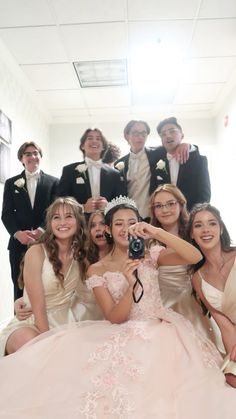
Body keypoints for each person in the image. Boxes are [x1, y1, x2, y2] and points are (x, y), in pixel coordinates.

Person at [0, 197, 236, 418]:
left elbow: (194, 256)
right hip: (123, 330)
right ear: (109, 230)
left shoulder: (151, 255)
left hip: (163, 331)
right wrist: (130, 285)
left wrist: (156, 232)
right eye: (119, 224)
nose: (126, 229)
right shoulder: (97, 269)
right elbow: (115, 317)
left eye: (132, 223)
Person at [0, 196, 87, 356]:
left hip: (65, 323)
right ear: (50, 223)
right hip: (33, 322)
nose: (62, 222)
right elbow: (38, 307)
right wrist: (48, 344)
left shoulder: (81, 256)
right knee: (31, 343)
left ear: (78, 221)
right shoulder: (36, 252)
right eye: (56, 217)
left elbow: (84, 295)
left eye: (68, 216)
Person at [149, 184, 215, 341]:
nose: (165, 210)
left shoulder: (194, 234)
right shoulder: (150, 241)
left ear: (181, 204)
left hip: (195, 303)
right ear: (153, 211)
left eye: (170, 204)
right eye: (159, 206)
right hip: (164, 307)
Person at [1, 141, 59, 300]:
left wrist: (41, 230)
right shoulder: (11, 183)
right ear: (21, 159)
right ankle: (20, 323)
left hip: (46, 242)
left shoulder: (54, 182)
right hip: (18, 245)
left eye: (35, 153)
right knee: (19, 285)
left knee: (46, 284)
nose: (32, 156)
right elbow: (6, 214)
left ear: (40, 156)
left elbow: (54, 212)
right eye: (28, 154)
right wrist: (17, 233)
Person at [188, 202, 236, 387]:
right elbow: (225, 326)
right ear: (192, 233)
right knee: (230, 378)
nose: (205, 230)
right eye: (198, 225)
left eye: (212, 223)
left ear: (221, 229)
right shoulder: (197, 278)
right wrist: (233, 354)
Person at [115, 119, 190, 220]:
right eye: (135, 133)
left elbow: (175, 145)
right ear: (126, 136)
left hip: (154, 215)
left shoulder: (158, 153)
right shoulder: (119, 164)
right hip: (131, 217)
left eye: (143, 133)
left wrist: (186, 145)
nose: (140, 137)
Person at [57, 128, 124, 215]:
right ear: (82, 145)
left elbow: (122, 204)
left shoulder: (115, 174)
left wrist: (109, 206)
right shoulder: (69, 171)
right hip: (80, 223)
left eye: (98, 139)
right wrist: (82, 207)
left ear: (103, 146)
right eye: (90, 138)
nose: (94, 141)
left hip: (107, 224)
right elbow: (60, 201)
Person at [156, 116, 211, 211]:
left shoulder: (198, 161)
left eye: (172, 131)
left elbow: (204, 195)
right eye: (163, 134)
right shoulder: (157, 163)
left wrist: (194, 217)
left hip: (190, 217)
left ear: (182, 135)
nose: (168, 135)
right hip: (165, 217)